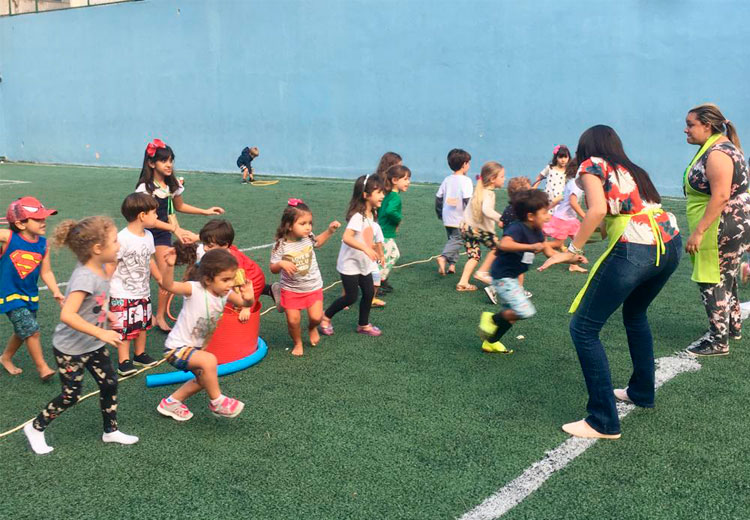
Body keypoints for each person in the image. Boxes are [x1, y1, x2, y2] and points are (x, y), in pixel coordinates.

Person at [540, 125, 682, 440]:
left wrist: (571, 251)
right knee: (635, 314)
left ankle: (603, 421)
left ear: (585, 148)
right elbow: (606, 226)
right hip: (670, 244)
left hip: (637, 247)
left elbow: (598, 211)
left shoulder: (593, 165)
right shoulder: (633, 170)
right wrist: (569, 243)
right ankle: (642, 391)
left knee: (584, 328)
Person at [23, 216, 139, 454]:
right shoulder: (85, 277)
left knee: (109, 383)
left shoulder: (102, 269)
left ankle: (111, 431)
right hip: (71, 350)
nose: (119, 245)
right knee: (71, 395)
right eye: (115, 241)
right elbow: (68, 314)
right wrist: (101, 331)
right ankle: (35, 427)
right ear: (98, 249)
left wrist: (109, 317)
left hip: (94, 344)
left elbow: (96, 303)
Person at [135, 138, 224, 332]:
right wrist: (175, 229)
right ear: (151, 163)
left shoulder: (171, 184)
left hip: (161, 236)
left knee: (165, 273)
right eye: (164, 161)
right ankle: (143, 312)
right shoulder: (145, 188)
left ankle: (159, 316)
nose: (169, 165)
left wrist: (205, 211)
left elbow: (179, 206)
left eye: (171, 160)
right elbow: (148, 220)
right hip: (143, 234)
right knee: (140, 277)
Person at [156, 248, 255, 421]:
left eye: (232, 278)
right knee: (209, 360)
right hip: (176, 349)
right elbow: (168, 285)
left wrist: (249, 298)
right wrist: (169, 266)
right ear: (208, 280)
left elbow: (244, 302)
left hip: (193, 349)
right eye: (225, 280)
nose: (230, 284)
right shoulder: (194, 289)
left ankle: (171, 403)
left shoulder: (226, 293)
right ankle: (217, 402)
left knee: (205, 379)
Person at [683, 103, 750, 356]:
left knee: (711, 279)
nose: (686, 130)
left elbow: (721, 196)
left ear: (707, 126)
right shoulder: (721, 147)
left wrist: (699, 231)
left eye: (691, 125)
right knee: (727, 277)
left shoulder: (717, 153)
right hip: (733, 222)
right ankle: (732, 327)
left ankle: (718, 341)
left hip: (720, 225)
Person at [479, 190, 579, 353]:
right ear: (531, 216)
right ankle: (492, 319)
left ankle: (490, 342)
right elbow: (504, 244)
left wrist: (571, 258)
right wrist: (531, 247)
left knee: (512, 315)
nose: (548, 216)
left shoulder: (538, 232)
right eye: (545, 212)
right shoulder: (517, 228)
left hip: (511, 277)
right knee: (524, 310)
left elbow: (550, 253)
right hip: (503, 276)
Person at [0, 197, 63, 379]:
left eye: (44, 218)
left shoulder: (43, 244)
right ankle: (42, 367)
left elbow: (47, 272)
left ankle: (5, 357)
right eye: (38, 219)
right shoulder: (8, 237)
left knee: (23, 331)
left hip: (29, 295)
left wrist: (56, 291)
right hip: (9, 294)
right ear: (20, 224)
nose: (43, 222)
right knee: (32, 330)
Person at [270, 198, 341, 356]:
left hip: (313, 286)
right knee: (293, 321)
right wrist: (281, 264)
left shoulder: (308, 237)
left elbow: (318, 243)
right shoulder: (280, 245)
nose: (308, 227)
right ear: (289, 225)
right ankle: (298, 342)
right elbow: (273, 268)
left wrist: (329, 231)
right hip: (291, 289)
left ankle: (312, 328)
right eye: (303, 223)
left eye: (310, 223)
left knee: (316, 318)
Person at [319, 175, 385, 337]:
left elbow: (375, 236)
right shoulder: (358, 217)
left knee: (369, 293)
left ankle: (363, 324)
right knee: (350, 297)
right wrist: (365, 248)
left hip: (364, 263)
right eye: (378, 192)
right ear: (365, 195)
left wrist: (380, 253)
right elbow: (347, 237)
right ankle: (325, 317)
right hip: (350, 264)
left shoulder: (372, 215)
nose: (382, 195)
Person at [108, 193, 162, 376]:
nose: (157, 216)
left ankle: (140, 354)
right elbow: (111, 263)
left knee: (142, 324)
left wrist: (160, 279)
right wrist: (102, 285)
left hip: (142, 291)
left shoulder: (148, 236)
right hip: (122, 292)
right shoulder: (122, 238)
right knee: (125, 328)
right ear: (142, 215)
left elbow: (150, 260)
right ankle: (124, 360)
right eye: (154, 213)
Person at [455, 162, 505, 291]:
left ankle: (463, 282)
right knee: (498, 248)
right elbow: (486, 210)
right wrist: (501, 219)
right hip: (478, 229)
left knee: (474, 255)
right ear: (493, 179)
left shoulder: (479, 190)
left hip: (465, 227)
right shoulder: (489, 193)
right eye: (502, 176)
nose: (504, 179)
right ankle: (482, 272)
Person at [542, 158, 588, 273]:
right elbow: (573, 202)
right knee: (558, 243)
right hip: (563, 219)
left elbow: (561, 198)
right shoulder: (575, 185)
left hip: (570, 219)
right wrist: (585, 216)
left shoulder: (572, 183)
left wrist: (549, 207)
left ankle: (574, 265)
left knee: (579, 241)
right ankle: (537, 246)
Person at [435, 149, 473, 276]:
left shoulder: (447, 179)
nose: (469, 165)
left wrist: (440, 213)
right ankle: (444, 258)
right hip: (460, 218)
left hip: (447, 216)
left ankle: (452, 265)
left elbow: (439, 197)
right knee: (458, 240)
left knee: (452, 240)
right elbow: (468, 200)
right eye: (468, 163)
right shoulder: (466, 181)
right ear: (464, 164)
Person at [377, 164, 412, 294]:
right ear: (395, 180)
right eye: (405, 179)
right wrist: (399, 219)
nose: (408, 182)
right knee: (383, 258)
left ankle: (381, 279)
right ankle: (377, 282)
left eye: (409, 179)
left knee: (394, 254)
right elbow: (390, 211)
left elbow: (381, 209)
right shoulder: (395, 197)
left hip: (383, 231)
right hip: (385, 233)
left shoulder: (387, 195)